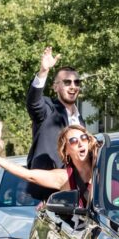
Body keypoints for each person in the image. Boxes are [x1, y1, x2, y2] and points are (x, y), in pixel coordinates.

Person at [0, 125, 99, 207]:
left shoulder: (104, 166)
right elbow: (29, 175)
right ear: (66, 151)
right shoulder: (64, 177)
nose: (81, 143)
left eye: (84, 138)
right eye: (74, 141)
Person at [26, 47, 85, 199]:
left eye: (76, 82)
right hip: (47, 194)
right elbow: (34, 103)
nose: (73, 86)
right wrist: (43, 71)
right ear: (55, 87)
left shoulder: (80, 120)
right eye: (67, 82)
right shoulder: (48, 109)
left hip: (74, 194)